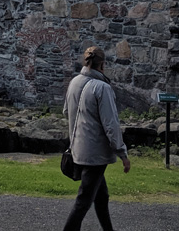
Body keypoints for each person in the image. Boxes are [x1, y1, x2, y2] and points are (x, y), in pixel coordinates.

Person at [62, 45, 130, 231]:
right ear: (102, 65)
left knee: (101, 196)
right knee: (84, 200)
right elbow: (111, 124)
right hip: (95, 153)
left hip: (77, 149)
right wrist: (122, 153)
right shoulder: (102, 88)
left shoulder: (74, 82)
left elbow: (67, 111)